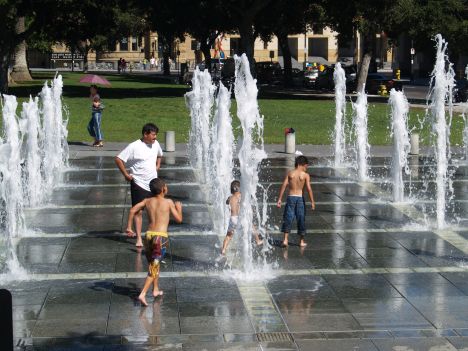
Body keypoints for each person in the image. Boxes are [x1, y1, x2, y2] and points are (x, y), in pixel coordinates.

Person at [126, 178, 183, 306]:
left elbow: (132, 210)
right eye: (166, 186)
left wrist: (129, 227)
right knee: (154, 268)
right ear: (163, 189)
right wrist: (179, 208)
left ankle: (155, 289)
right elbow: (179, 219)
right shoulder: (168, 202)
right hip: (160, 238)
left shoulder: (147, 201)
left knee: (153, 264)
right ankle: (143, 294)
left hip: (149, 236)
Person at [115, 123, 163, 247]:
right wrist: (125, 174)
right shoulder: (134, 146)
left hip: (153, 183)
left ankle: (153, 236)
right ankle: (139, 239)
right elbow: (118, 159)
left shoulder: (155, 144)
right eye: (153, 134)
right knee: (138, 211)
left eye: (156, 134)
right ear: (145, 134)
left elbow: (159, 154)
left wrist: (158, 165)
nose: (155, 137)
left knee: (155, 211)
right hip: (139, 183)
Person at [276, 156, 315, 248]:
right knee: (301, 218)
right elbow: (309, 189)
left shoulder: (290, 173)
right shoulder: (305, 175)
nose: (307, 167)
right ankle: (301, 241)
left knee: (288, 217)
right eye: (306, 166)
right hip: (300, 198)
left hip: (291, 197)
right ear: (302, 164)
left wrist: (280, 199)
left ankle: (285, 240)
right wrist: (312, 201)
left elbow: (284, 185)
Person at [221, 180, 263, 255]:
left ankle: (223, 250)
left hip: (232, 218)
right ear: (239, 188)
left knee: (228, 236)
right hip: (239, 218)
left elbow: (227, 202)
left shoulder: (230, 197)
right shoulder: (241, 195)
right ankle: (257, 240)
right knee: (251, 225)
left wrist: (229, 200)